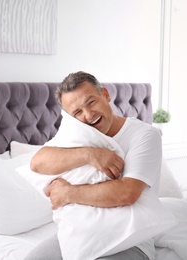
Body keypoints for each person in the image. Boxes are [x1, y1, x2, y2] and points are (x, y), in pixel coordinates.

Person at [26, 71, 163, 260]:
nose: (88, 115)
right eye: (77, 112)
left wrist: (67, 193)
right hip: (81, 233)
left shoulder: (144, 135)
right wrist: (88, 154)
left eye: (91, 102)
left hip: (129, 238)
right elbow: (37, 163)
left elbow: (127, 193)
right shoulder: (80, 135)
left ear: (105, 95)